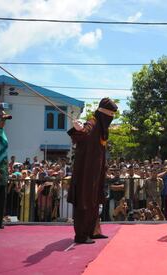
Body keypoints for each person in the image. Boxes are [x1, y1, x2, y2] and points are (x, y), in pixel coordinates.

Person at [67, 98, 118, 244]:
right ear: (103, 113)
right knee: (85, 200)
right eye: (110, 115)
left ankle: (94, 231)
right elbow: (84, 131)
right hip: (86, 172)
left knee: (95, 202)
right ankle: (82, 235)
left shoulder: (102, 127)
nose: (111, 118)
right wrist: (79, 129)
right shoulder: (93, 122)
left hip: (97, 172)